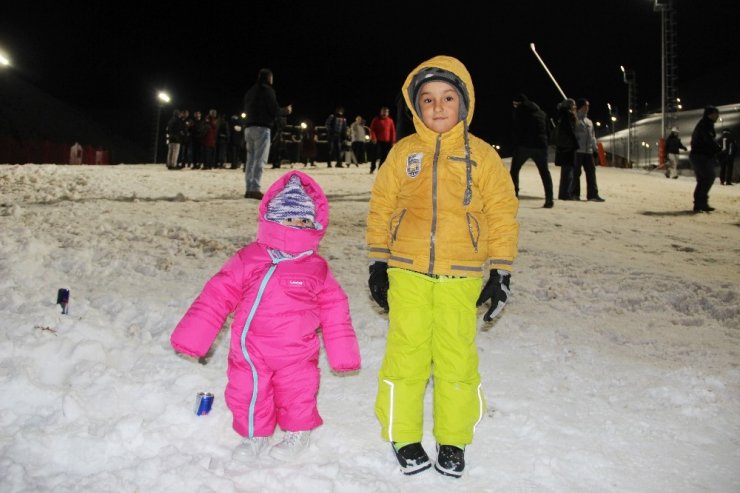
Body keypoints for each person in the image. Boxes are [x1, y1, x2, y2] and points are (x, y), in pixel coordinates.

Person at [366, 55, 519, 478]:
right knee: (407, 355)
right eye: (428, 99)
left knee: (456, 360)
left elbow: (502, 213)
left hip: (462, 274)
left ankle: (453, 439)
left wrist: (500, 271)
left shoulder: (483, 156)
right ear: (416, 106)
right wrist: (379, 261)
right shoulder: (403, 153)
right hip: (406, 270)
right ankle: (403, 433)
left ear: (464, 104)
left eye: (448, 97)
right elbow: (382, 206)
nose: (438, 107)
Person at [171, 171, 361, 462]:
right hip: (250, 349)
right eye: (290, 219)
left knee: (298, 392)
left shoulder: (316, 267)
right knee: (247, 392)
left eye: (304, 221)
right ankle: (254, 436)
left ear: (314, 225)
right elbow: (215, 296)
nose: (297, 226)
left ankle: (298, 432)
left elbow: (336, 311)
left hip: (296, 351)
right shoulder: (249, 258)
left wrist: (343, 354)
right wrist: (192, 338)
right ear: (272, 220)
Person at [243, 68, 292, 199]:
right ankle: (255, 188)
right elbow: (274, 109)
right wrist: (285, 111)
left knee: (250, 160)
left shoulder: (250, 91)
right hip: (262, 127)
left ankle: (249, 188)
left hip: (249, 127)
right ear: (269, 78)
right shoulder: (267, 90)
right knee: (260, 159)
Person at [509, 93, 554, 208]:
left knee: (514, 171)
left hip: (525, 145)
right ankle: (549, 199)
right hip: (541, 146)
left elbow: (517, 128)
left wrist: (516, 144)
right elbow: (549, 131)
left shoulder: (520, 111)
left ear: (518, 103)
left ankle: (514, 196)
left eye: (514, 104)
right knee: (544, 172)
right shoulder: (542, 113)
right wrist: (545, 143)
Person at [689, 105, 722, 212]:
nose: (717, 116)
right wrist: (718, 149)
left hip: (700, 155)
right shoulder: (705, 125)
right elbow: (707, 140)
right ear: (710, 114)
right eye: (716, 114)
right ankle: (700, 203)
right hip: (700, 156)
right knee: (708, 177)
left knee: (703, 179)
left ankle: (700, 203)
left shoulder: (706, 124)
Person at [573, 99, 605, 202]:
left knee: (591, 172)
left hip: (588, 151)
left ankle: (593, 195)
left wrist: (595, 149)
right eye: (586, 106)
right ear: (580, 107)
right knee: (576, 173)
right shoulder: (575, 119)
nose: (587, 108)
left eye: (588, 106)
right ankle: (574, 194)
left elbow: (592, 137)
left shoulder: (589, 122)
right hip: (578, 151)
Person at [552, 98, 579, 200]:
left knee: (566, 171)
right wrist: (575, 144)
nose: (575, 107)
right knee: (568, 171)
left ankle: (563, 193)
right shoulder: (568, 117)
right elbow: (570, 132)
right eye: (574, 105)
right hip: (568, 147)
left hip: (563, 147)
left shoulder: (561, 116)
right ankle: (565, 194)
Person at [369, 106, 396, 174]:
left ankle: (381, 169)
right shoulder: (376, 119)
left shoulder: (390, 121)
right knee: (374, 155)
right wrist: (373, 138)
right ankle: (372, 168)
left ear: (388, 113)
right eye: (383, 111)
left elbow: (393, 131)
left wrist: (393, 141)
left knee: (384, 156)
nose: (385, 113)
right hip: (377, 141)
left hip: (387, 141)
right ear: (381, 112)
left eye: (386, 112)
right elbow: (372, 129)